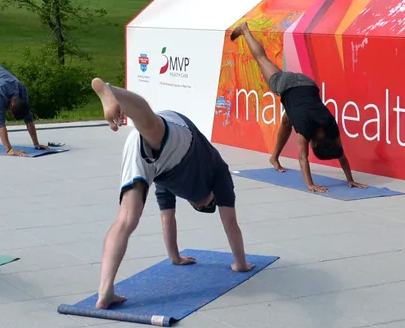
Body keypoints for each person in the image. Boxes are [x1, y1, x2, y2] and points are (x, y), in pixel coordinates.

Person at [89, 76, 253, 311]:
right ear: (209, 199)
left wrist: (175, 257)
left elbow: (167, 219)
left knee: (126, 220)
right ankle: (111, 91)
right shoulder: (219, 173)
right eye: (208, 203)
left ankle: (105, 291)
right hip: (181, 136)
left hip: (149, 158)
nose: (204, 202)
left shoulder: (171, 186)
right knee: (151, 127)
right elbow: (230, 222)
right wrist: (241, 264)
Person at [229, 21, 368, 194]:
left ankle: (274, 158)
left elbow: (341, 154)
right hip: (286, 85)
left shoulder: (330, 127)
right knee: (262, 59)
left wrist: (351, 180)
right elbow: (303, 158)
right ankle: (245, 30)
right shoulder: (305, 127)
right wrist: (310, 184)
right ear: (315, 143)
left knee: (287, 120)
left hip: (307, 84)